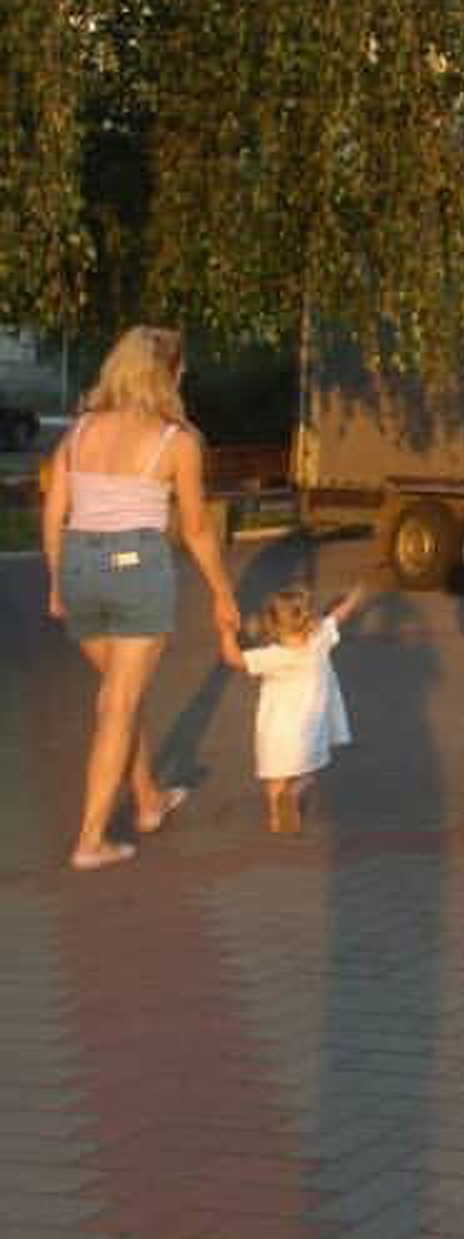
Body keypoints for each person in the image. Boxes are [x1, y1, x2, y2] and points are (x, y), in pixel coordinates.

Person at [38, 327, 241, 870]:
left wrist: (58, 582)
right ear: (168, 374)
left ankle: (148, 799)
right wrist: (223, 595)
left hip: (81, 567)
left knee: (118, 695)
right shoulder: (176, 441)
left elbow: (54, 511)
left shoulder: (78, 431)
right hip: (136, 570)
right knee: (118, 704)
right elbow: (196, 529)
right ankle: (90, 839)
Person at [238, 581, 369, 831]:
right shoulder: (319, 640)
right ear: (309, 618)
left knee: (274, 776)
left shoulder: (271, 656)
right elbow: (337, 616)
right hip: (307, 729)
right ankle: (295, 791)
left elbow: (234, 659)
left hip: (274, 731)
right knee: (308, 770)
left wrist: (225, 633)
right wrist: (353, 598)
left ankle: (277, 818)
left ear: (273, 624)